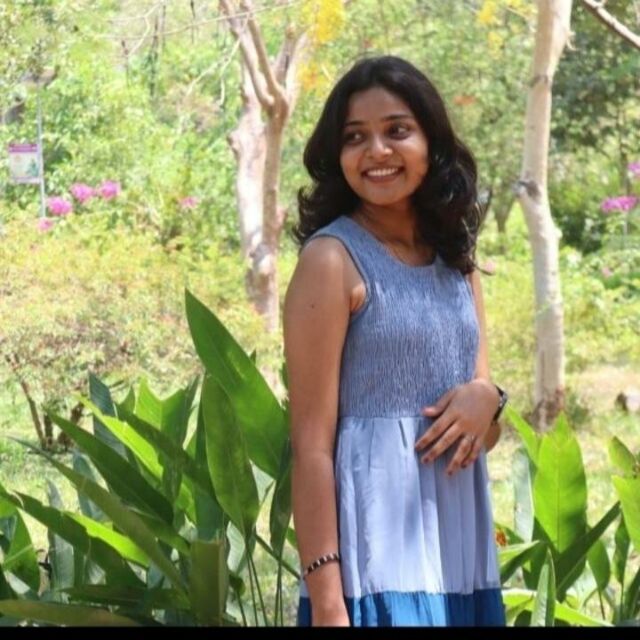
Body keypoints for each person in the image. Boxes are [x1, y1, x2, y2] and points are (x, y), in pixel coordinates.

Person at [283, 55, 507, 627]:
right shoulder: (331, 260)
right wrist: (328, 603)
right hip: (374, 570)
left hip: (460, 564)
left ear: (432, 142)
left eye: (397, 131)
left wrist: (489, 398)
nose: (376, 151)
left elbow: (480, 433)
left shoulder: (457, 263)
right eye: (355, 137)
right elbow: (311, 445)